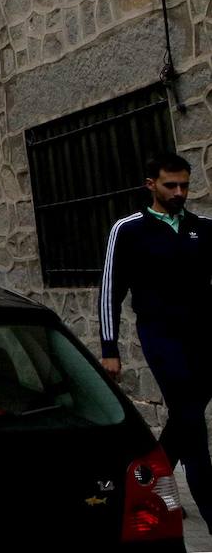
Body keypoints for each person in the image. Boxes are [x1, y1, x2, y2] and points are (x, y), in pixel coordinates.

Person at [100, 151, 212, 522]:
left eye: (184, 184)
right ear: (151, 185)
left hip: (204, 337)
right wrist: (109, 347)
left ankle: (149, 480)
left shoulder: (204, 228)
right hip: (161, 337)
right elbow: (110, 292)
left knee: (185, 417)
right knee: (192, 423)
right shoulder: (128, 229)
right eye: (170, 185)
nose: (179, 192)